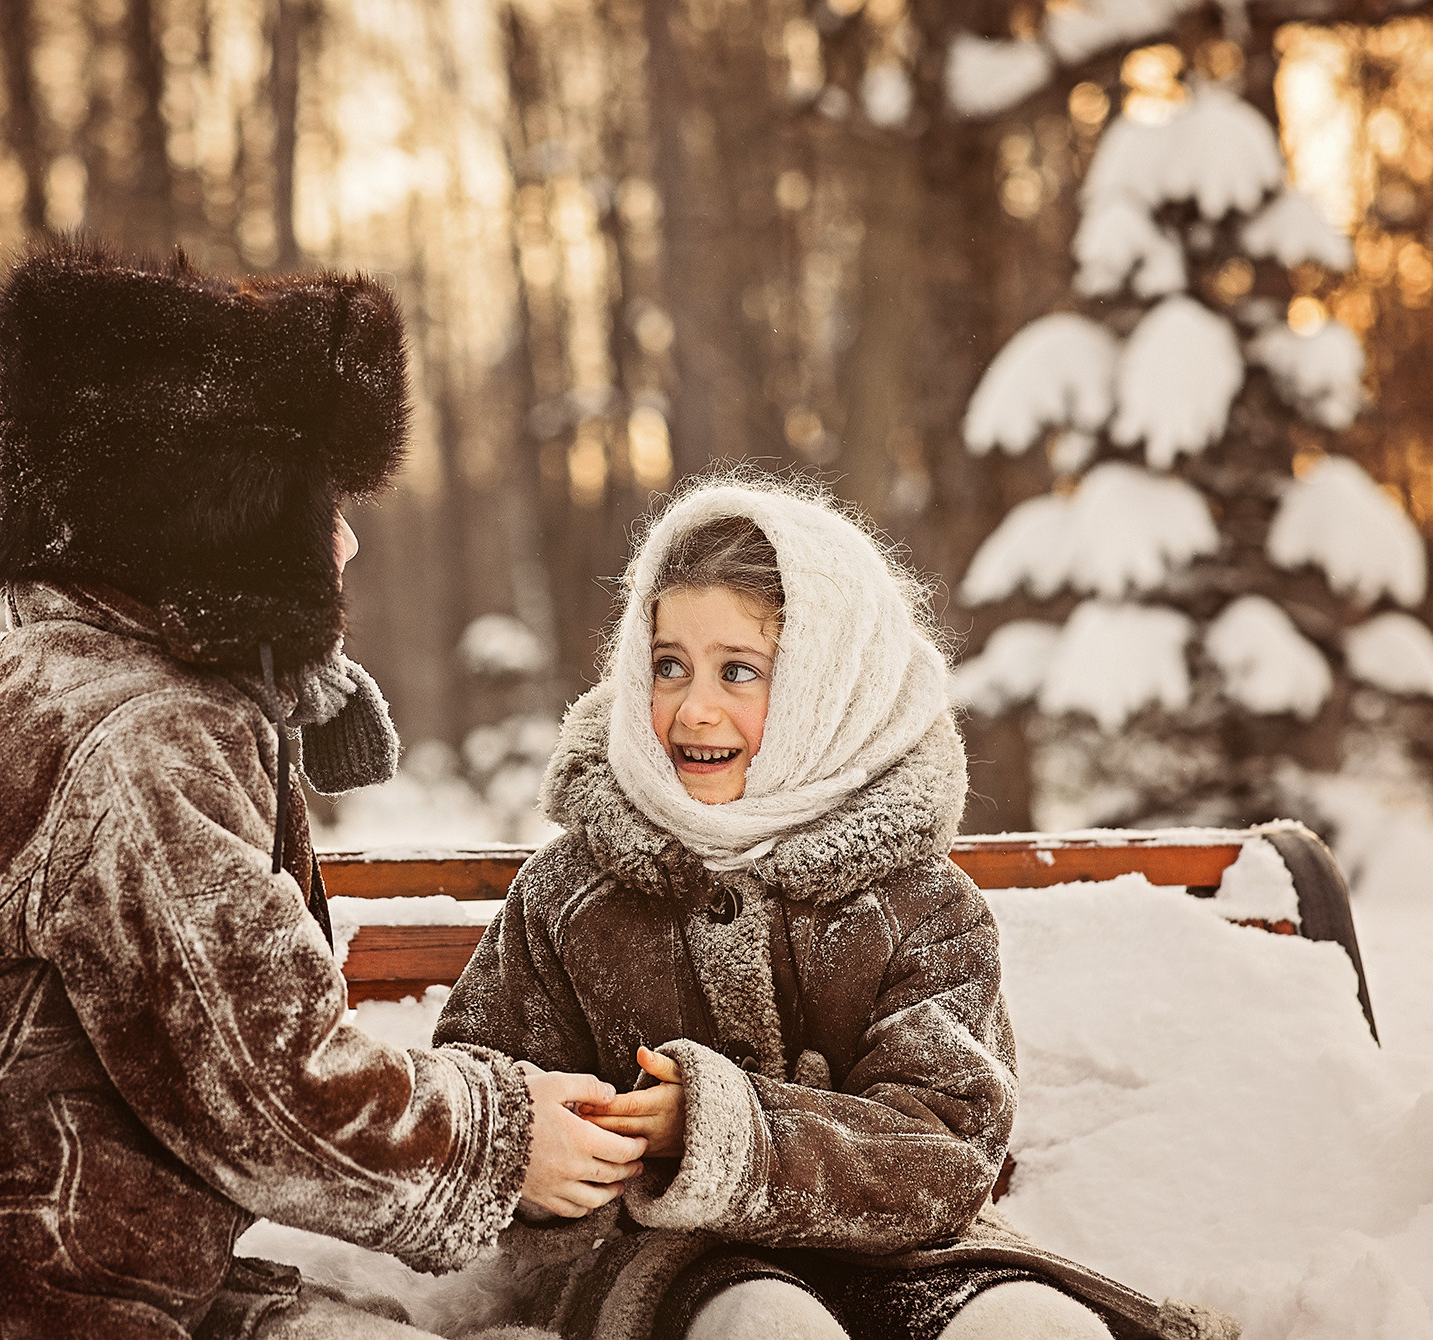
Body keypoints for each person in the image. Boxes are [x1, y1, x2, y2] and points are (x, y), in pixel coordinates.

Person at [0, 240, 644, 1340]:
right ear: (220, 517)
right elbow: (267, 1084)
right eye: (317, 502)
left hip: (12, 1253)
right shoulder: (145, 739)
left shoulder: (96, 687)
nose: (349, 538)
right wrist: (504, 1136)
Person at [433, 474, 1241, 1340]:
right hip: (671, 1265)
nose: (693, 708)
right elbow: (482, 1091)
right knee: (770, 1324)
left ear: (829, 688)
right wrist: (559, 1151)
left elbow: (943, 1142)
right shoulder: (575, 893)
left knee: (1033, 1328)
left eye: (739, 671)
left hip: (913, 1255)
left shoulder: (920, 903)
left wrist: (727, 1129)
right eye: (669, 665)